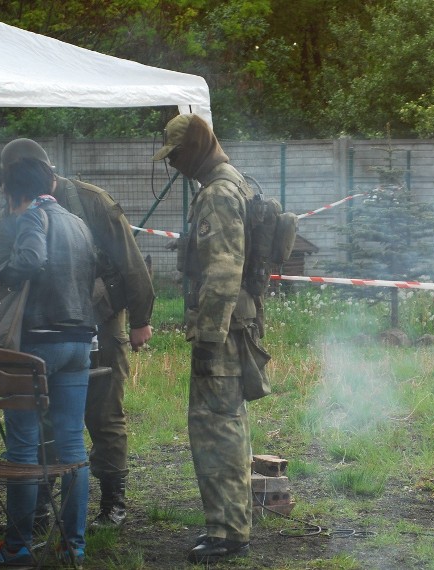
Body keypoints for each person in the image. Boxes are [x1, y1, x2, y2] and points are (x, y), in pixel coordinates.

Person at [0, 138, 155, 530]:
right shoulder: (15, 207)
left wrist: (140, 319)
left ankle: (113, 501)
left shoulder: (92, 201)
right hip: (43, 320)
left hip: (101, 313)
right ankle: (41, 505)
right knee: (39, 411)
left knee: (103, 410)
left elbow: (130, 263)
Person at [151, 113, 257, 564]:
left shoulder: (217, 193)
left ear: (196, 147)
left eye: (177, 155)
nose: (174, 164)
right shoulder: (233, 182)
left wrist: (208, 338)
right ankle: (230, 524)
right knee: (225, 422)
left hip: (222, 334)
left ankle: (228, 533)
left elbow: (224, 269)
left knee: (216, 428)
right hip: (231, 328)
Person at [0, 157, 96, 565]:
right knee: (71, 446)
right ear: (49, 181)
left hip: (36, 345)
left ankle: (18, 548)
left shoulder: (32, 217)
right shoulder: (77, 221)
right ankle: (73, 545)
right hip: (80, 343)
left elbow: (30, 260)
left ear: (10, 192)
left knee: (24, 447)